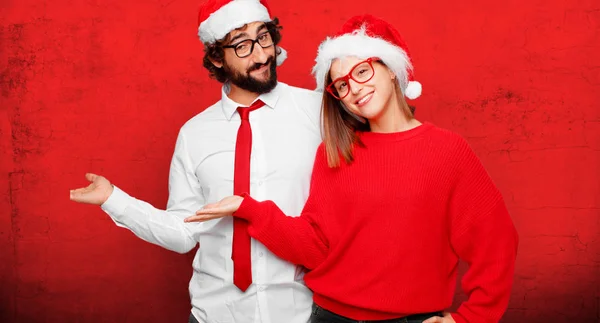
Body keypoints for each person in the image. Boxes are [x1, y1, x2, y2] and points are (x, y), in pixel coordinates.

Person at [187, 14, 519, 323]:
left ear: (389, 67)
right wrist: (250, 209)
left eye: (361, 72)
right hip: (328, 316)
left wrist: (470, 319)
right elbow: (316, 248)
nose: (354, 89)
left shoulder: (447, 151)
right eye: (341, 85)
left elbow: (497, 243)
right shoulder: (335, 153)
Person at [69, 0, 322, 322]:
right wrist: (113, 200)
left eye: (264, 37)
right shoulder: (194, 134)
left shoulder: (319, 113)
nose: (262, 55)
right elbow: (182, 233)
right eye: (243, 46)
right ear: (217, 57)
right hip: (214, 314)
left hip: (302, 313)